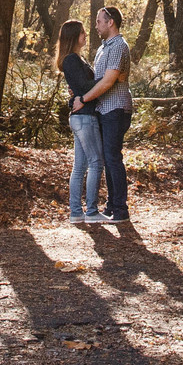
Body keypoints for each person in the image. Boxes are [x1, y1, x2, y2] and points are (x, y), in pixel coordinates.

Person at [73, 4, 133, 222]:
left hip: (115, 108)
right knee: (107, 158)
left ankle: (120, 209)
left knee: (112, 157)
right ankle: (111, 205)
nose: (96, 26)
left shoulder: (118, 46)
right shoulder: (103, 48)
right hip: (102, 109)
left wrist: (84, 99)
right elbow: (96, 80)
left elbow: (108, 81)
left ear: (111, 22)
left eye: (99, 21)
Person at [55, 19, 107, 224]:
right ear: (73, 36)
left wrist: (75, 97)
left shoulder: (76, 59)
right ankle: (91, 211)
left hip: (82, 116)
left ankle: (77, 212)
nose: (86, 35)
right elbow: (84, 87)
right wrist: (107, 80)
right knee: (96, 162)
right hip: (85, 118)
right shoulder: (71, 60)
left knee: (80, 166)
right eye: (83, 33)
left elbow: (78, 88)